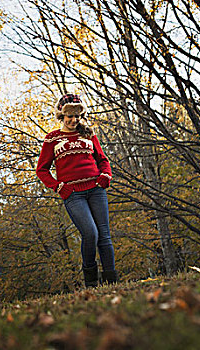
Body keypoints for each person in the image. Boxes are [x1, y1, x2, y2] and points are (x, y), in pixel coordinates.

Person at [36, 94, 117, 287]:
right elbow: (42, 170)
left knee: (104, 235)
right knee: (90, 233)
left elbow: (103, 160)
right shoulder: (52, 139)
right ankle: (91, 282)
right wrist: (58, 187)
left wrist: (105, 175)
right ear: (61, 116)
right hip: (73, 195)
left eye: (77, 116)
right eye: (69, 116)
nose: (73, 120)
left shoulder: (89, 135)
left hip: (96, 190)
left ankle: (112, 281)